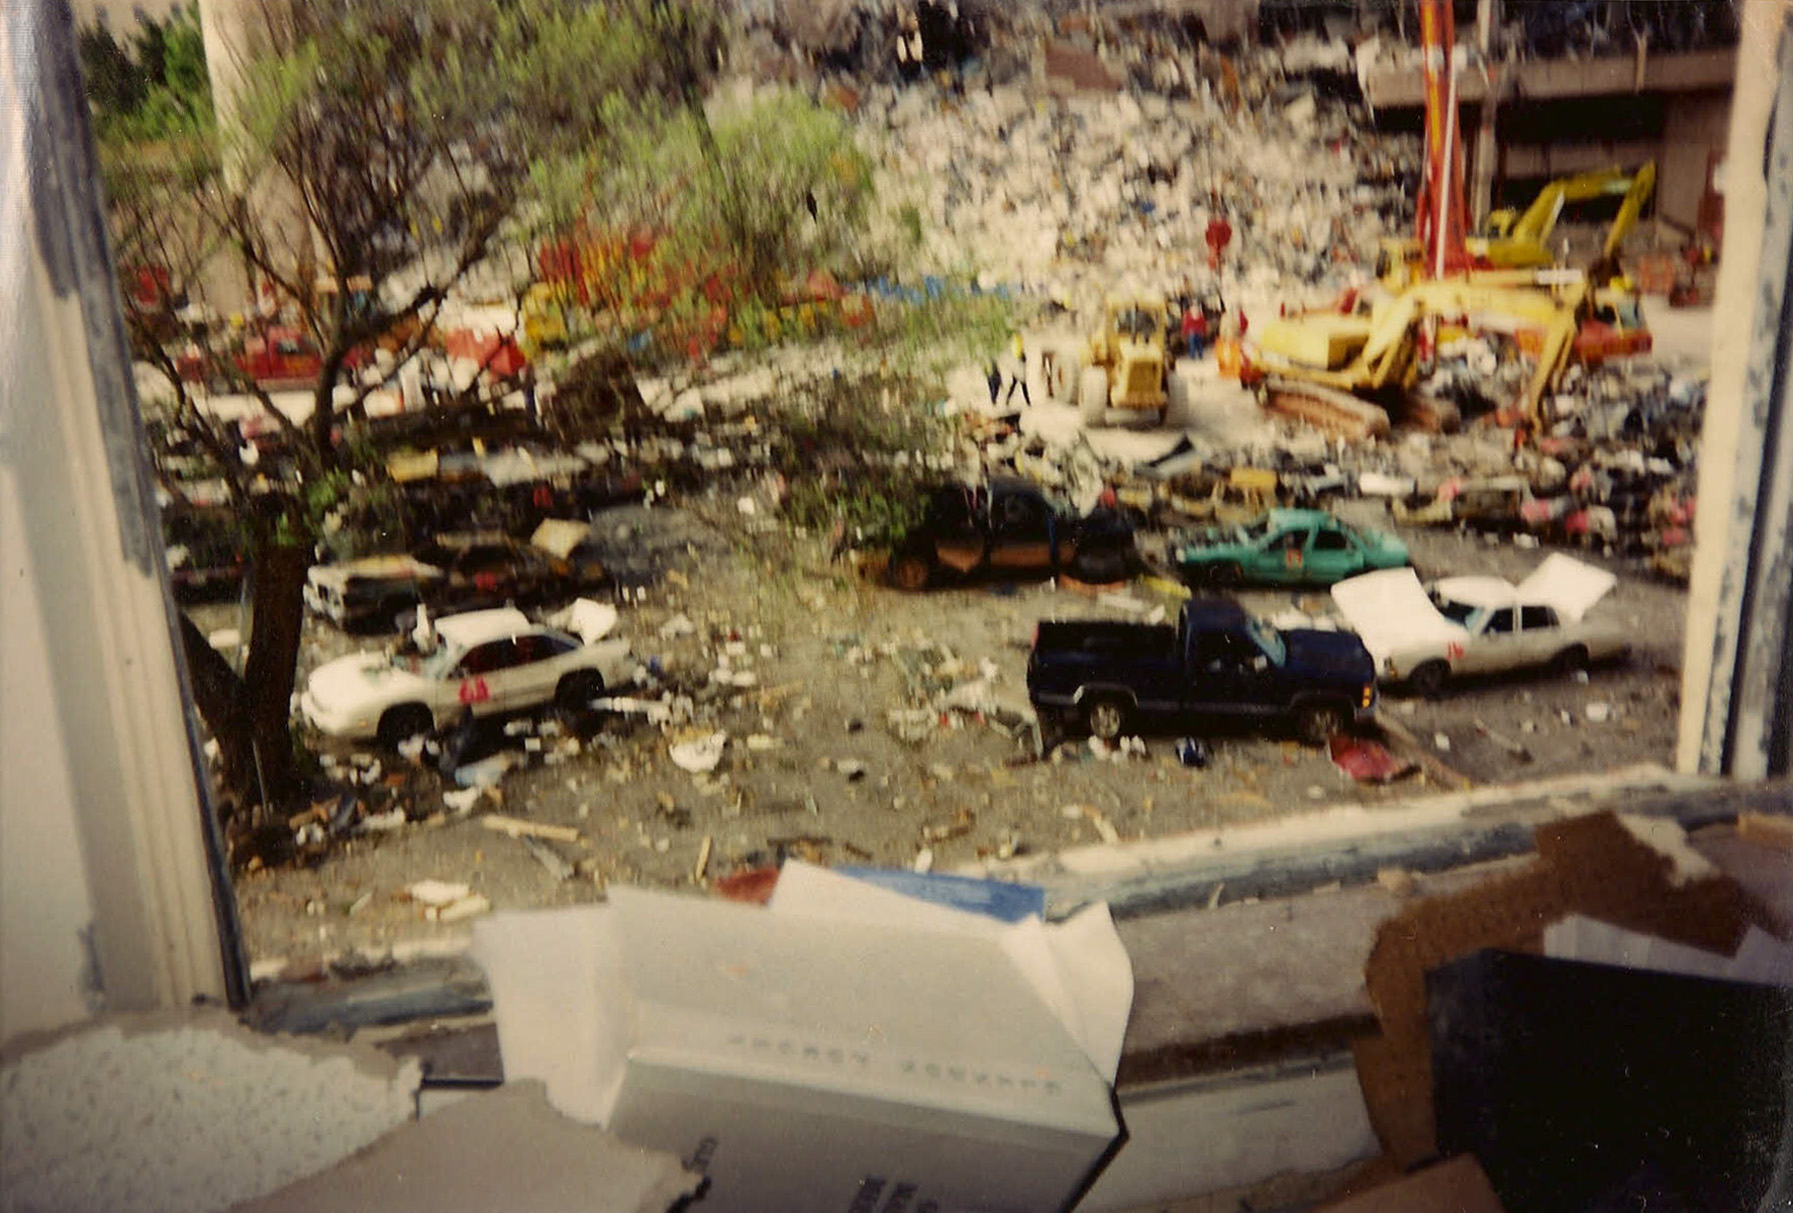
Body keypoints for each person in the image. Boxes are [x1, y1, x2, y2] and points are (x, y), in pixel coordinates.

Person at [1004, 332, 1031, 407]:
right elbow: (1022, 359)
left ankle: (1008, 399)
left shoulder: (1016, 344)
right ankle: (1028, 402)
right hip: (1019, 369)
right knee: (1022, 386)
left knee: (1015, 385)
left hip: (1017, 368)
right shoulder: (1017, 343)